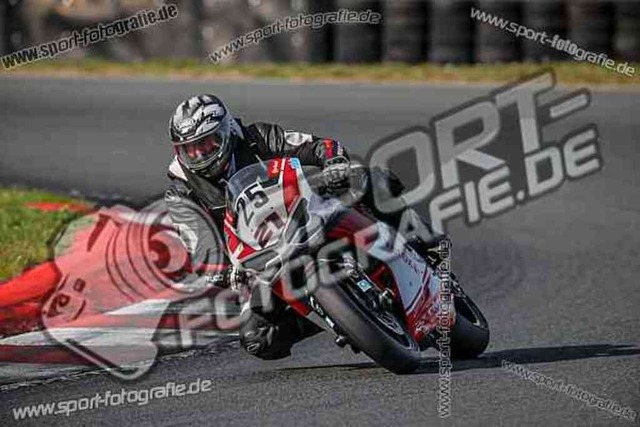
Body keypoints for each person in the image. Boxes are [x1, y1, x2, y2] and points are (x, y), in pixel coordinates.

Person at [164, 94, 431, 360]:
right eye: (190, 149)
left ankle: (424, 239)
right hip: (260, 258)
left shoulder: (256, 137)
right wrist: (221, 272)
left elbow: (317, 145)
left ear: (228, 131)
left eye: (207, 143)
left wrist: (334, 163)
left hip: (304, 210)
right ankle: (344, 316)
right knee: (259, 338)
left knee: (364, 178)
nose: (200, 155)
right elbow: (201, 245)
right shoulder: (181, 191)